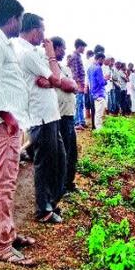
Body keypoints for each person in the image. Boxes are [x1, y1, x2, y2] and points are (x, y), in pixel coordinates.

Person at [0, 0, 36, 266]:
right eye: (19, 19)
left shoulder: (0, 41)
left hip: (4, 123)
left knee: (2, 183)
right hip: (1, 125)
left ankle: (6, 231)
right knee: (3, 185)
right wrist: (6, 114)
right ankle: (1, 244)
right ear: (12, 19)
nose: (20, 24)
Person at [15, 13, 67, 223]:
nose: (44, 36)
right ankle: (43, 209)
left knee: (58, 160)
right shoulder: (27, 53)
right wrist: (51, 55)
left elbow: (53, 80)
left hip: (49, 116)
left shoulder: (29, 51)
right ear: (35, 30)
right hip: (41, 117)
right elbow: (57, 78)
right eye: (43, 31)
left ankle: (50, 203)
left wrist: (52, 80)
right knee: (45, 164)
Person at [51, 36, 79, 192]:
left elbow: (74, 86)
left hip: (69, 115)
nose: (64, 51)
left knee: (72, 152)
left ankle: (69, 183)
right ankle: (61, 187)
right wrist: (71, 85)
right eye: (63, 48)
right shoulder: (50, 68)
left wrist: (72, 85)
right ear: (55, 48)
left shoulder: (65, 69)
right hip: (59, 116)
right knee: (63, 154)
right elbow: (68, 86)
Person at [70, 38, 87, 130]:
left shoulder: (78, 56)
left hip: (80, 84)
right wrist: (79, 85)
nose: (84, 49)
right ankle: (77, 122)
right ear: (79, 47)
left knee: (80, 104)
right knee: (78, 103)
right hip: (78, 84)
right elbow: (75, 73)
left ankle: (81, 121)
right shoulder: (74, 57)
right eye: (83, 47)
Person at [87, 52, 107, 129]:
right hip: (99, 93)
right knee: (99, 113)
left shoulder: (90, 68)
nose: (103, 62)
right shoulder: (98, 68)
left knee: (95, 112)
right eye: (103, 60)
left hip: (92, 93)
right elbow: (101, 82)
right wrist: (106, 79)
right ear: (100, 59)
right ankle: (99, 130)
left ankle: (95, 127)